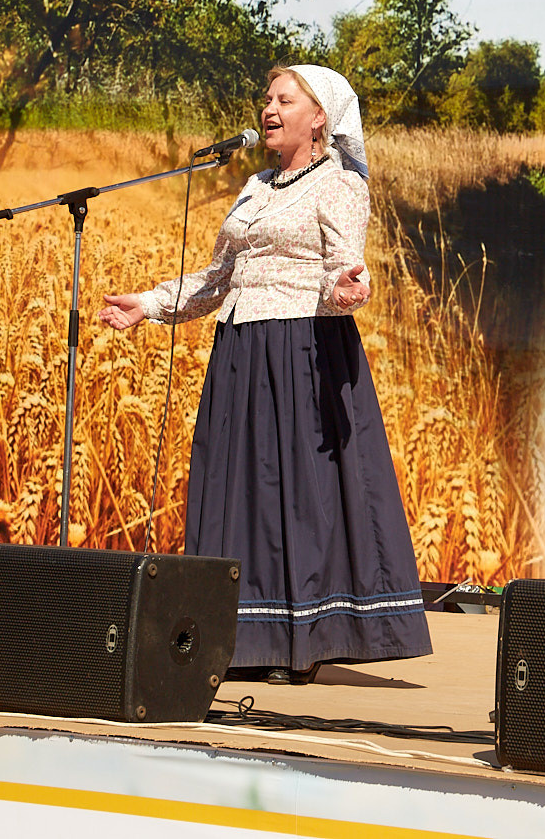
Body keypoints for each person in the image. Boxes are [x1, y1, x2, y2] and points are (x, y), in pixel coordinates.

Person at [99, 64, 432, 684]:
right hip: (241, 350)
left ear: (319, 119)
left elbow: (343, 267)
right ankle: (238, 635)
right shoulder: (255, 185)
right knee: (236, 488)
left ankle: (297, 639)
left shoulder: (340, 184)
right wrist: (146, 305)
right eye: (267, 99)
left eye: (285, 100)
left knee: (295, 493)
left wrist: (348, 290)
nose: (269, 109)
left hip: (302, 346)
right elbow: (218, 278)